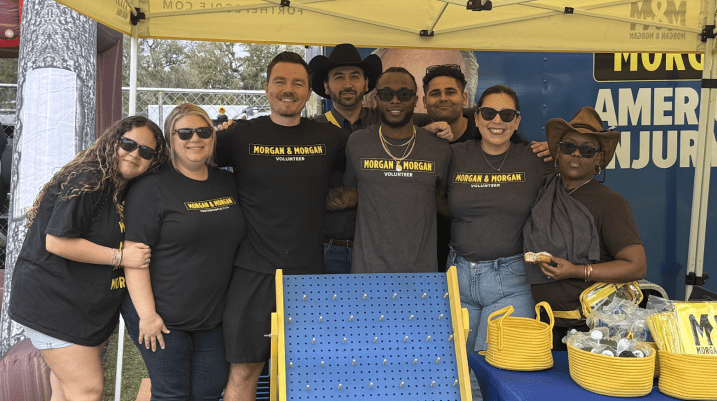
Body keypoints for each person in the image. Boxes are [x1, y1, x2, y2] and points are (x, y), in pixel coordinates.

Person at [216, 51, 348, 401]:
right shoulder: (239, 136)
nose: (288, 90)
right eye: (280, 81)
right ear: (266, 88)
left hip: (308, 275)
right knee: (244, 373)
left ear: (309, 94)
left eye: (297, 83)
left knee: (307, 377)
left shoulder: (330, 137)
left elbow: (381, 146)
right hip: (252, 273)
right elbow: (187, 148)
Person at [8, 116, 166, 401]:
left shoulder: (122, 187)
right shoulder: (91, 178)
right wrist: (122, 257)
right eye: (128, 144)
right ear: (112, 142)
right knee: (87, 389)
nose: (134, 154)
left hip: (83, 310)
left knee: (66, 390)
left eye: (146, 152)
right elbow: (57, 241)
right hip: (54, 304)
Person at [121, 104, 245, 400]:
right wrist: (148, 316)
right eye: (184, 132)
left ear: (213, 137)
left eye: (203, 131)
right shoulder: (151, 188)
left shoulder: (228, 183)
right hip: (163, 318)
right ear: (170, 139)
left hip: (212, 318)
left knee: (209, 391)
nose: (195, 139)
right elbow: (133, 255)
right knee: (171, 394)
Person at [523, 106, 646, 350]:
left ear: (598, 159)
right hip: (544, 323)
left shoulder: (610, 203)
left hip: (592, 331)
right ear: (557, 152)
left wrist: (576, 271)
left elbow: (636, 265)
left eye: (587, 150)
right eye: (568, 146)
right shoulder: (546, 189)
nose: (576, 154)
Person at [336, 67, 451, 273]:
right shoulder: (358, 142)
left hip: (422, 272)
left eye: (404, 94)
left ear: (416, 99)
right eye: (386, 94)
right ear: (375, 99)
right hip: (368, 271)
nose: (395, 101)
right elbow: (351, 192)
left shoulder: (438, 147)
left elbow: (445, 200)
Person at [308, 43, 383, 274]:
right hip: (330, 249)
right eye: (338, 77)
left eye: (355, 76)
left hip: (379, 249)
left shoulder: (388, 125)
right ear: (326, 87)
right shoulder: (311, 130)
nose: (348, 84)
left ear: (367, 83)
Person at [422, 64, 480, 271]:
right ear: (424, 101)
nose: (443, 98)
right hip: (427, 251)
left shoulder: (484, 134)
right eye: (435, 93)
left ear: (464, 98)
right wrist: (422, 138)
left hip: (474, 254)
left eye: (450, 92)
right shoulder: (417, 136)